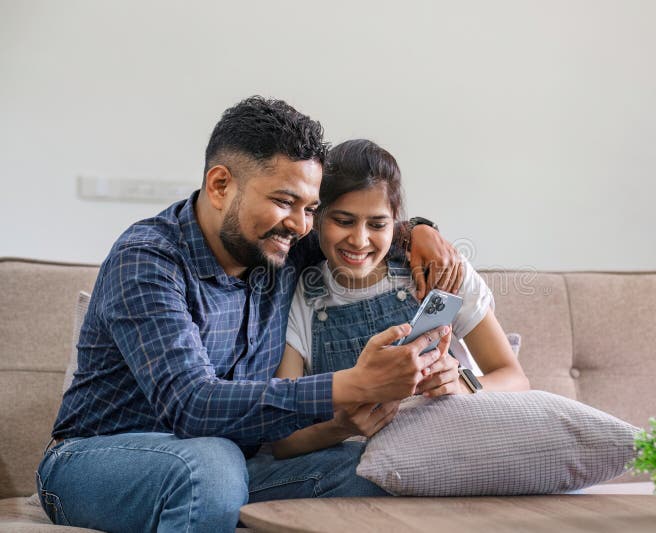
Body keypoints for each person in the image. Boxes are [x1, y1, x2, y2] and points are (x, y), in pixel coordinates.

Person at [37, 97, 463, 533]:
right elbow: (192, 405)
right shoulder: (148, 260)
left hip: (233, 464)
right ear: (221, 185)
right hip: (95, 464)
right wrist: (353, 384)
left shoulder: (283, 243)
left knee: (381, 468)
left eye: (310, 209)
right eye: (284, 201)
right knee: (208, 463)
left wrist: (420, 231)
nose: (301, 225)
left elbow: (364, 231)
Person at [271, 139, 529, 458]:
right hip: (357, 465)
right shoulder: (303, 297)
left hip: (453, 451)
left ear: (396, 222)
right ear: (317, 218)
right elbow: (282, 440)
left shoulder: (441, 271)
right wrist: (341, 426)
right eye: (343, 220)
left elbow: (514, 378)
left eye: (377, 224)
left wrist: (463, 385)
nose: (360, 239)